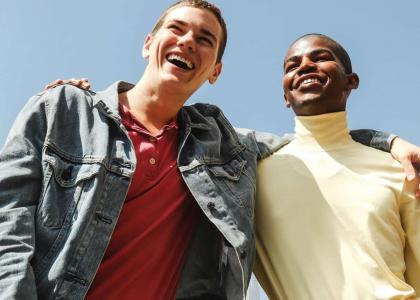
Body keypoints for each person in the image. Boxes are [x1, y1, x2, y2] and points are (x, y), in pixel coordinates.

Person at [1, 1, 419, 299]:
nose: (188, 42)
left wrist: (390, 142)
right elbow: (9, 216)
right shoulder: (64, 109)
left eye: (205, 39)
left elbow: (315, 142)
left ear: (215, 70)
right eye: (177, 30)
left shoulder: (219, 145)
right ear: (149, 43)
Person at [254, 33, 420, 299]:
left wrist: (391, 142)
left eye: (321, 58)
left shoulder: (400, 170)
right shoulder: (253, 177)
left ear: (350, 81)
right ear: (285, 95)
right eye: (292, 66)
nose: (305, 65)